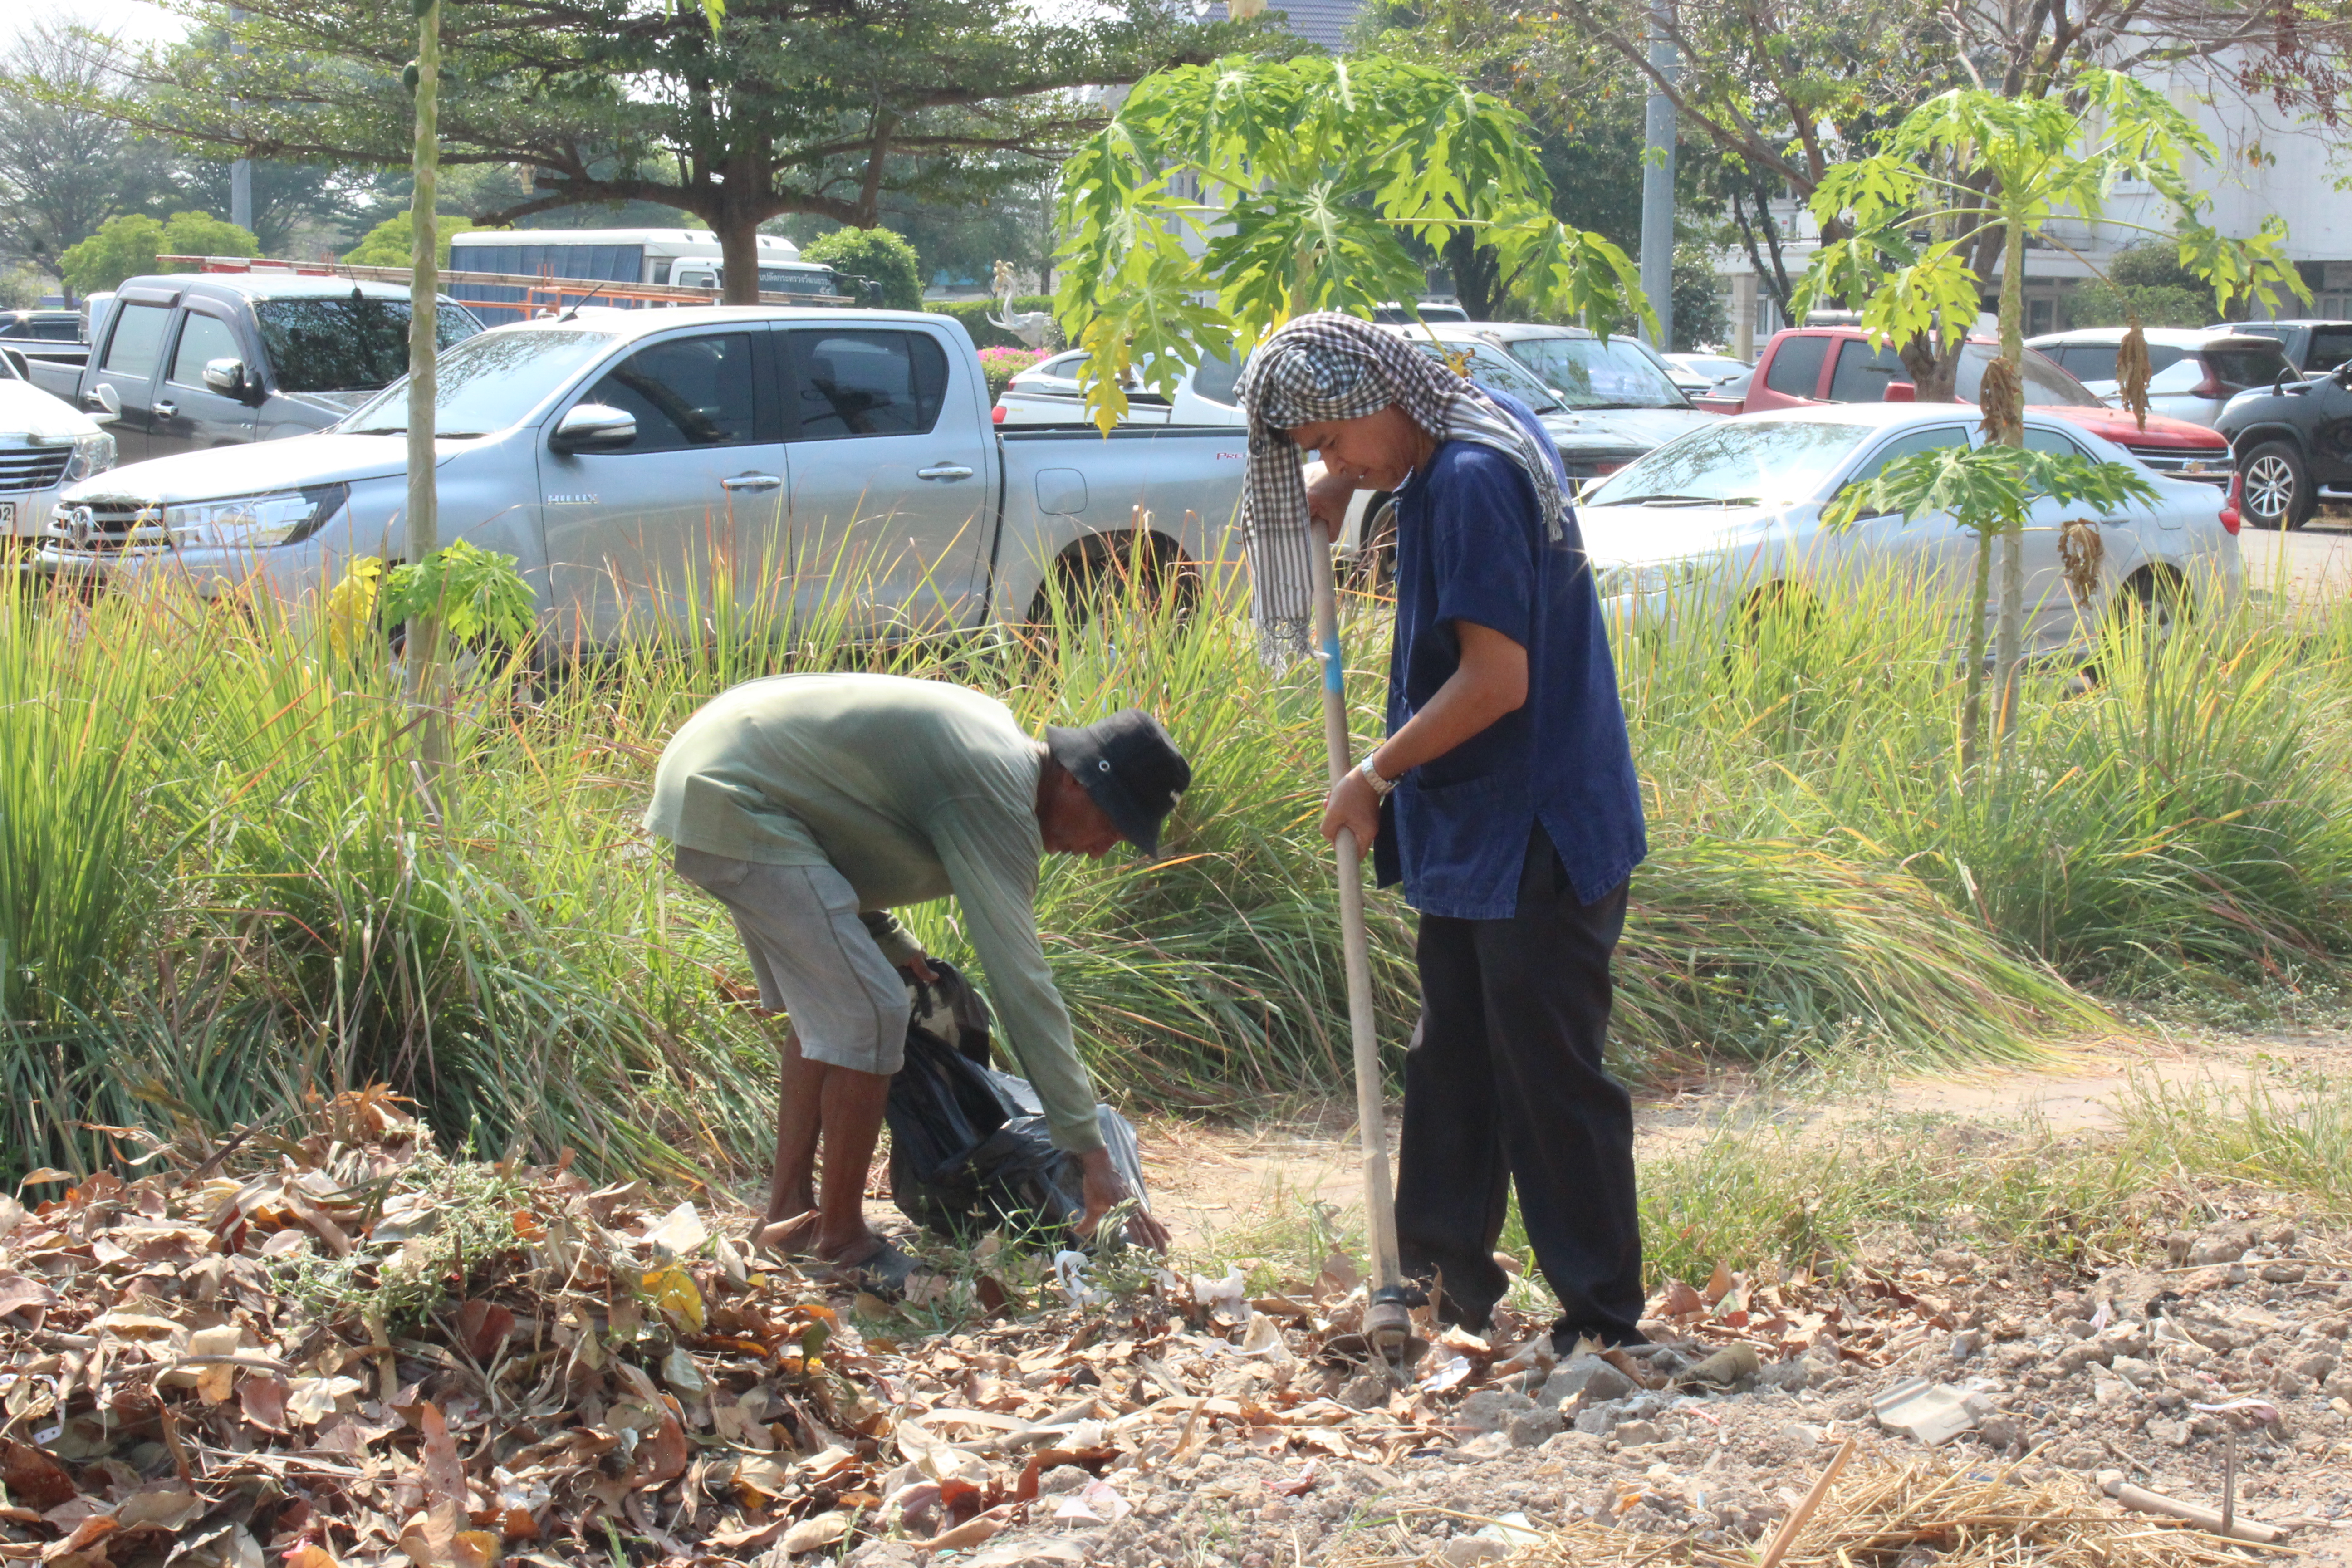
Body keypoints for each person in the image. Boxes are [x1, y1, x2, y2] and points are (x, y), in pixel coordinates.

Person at [1234, 313, 1651, 1351]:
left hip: (1535, 828)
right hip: (1484, 828)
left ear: (1380, 395)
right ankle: (1434, 1284)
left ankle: (1603, 1319)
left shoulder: (1465, 480)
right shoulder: (1471, 427)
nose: (1333, 464)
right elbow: (1402, 457)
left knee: (1547, 1077)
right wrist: (1353, 485)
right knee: (1453, 1059)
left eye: (1330, 443)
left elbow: (1495, 681)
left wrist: (1372, 773)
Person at [643, 673, 1185, 1291]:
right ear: (1074, 778)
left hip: (725, 774)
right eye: (1113, 827)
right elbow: (1023, 984)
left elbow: (841, 805)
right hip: (734, 793)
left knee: (831, 1011)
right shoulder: (996, 789)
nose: (1099, 852)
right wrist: (1092, 1155)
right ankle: (841, 1242)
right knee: (869, 1011)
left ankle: (789, 1219)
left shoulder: (996, 755)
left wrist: (887, 939)